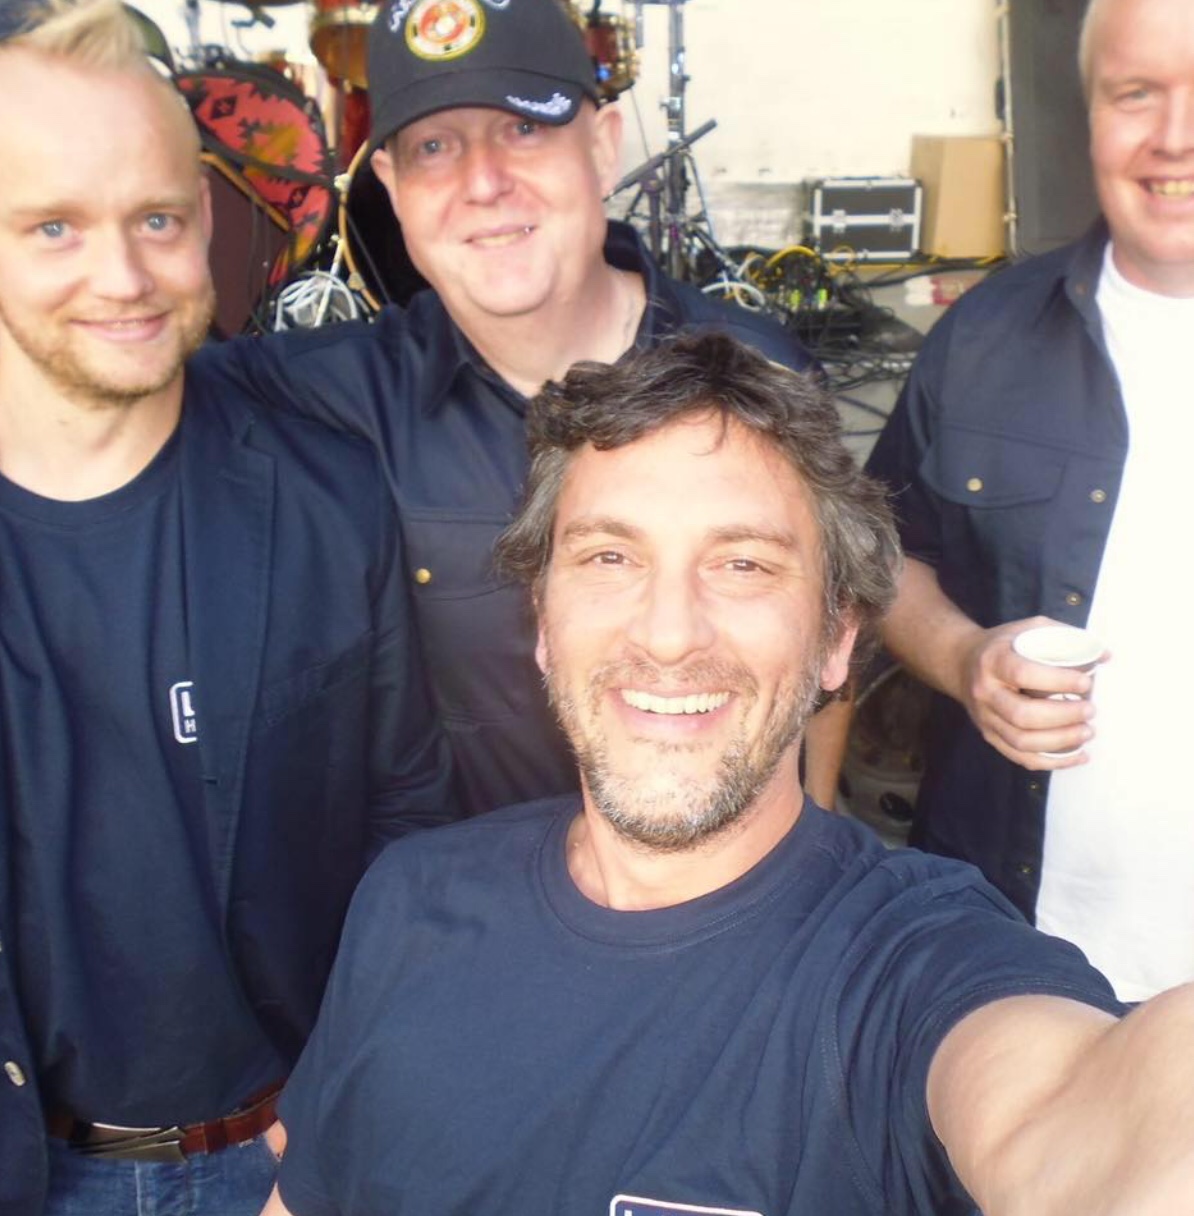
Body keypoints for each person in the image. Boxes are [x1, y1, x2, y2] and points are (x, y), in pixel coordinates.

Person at [259, 332, 1194, 1216]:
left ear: (836, 639)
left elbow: (1077, 1107)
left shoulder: (908, 966)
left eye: (743, 564)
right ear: (543, 620)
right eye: (610, 557)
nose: (669, 633)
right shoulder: (408, 900)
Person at [0, 3, 454, 1214]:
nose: (122, 277)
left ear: (206, 220)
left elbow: (407, 825)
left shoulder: (326, 496)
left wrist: (355, 1082)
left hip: (285, 1151)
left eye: (156, 218)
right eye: (53, 226)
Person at [204, 0, 850, 819]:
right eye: (435, 147)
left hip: (719, 881)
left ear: (604, 148)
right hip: (462, 890)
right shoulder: (324, 394)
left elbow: (830, 650)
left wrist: (818, 844)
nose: (483, 183)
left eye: (522, 129)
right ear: (393, 188)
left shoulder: (761, 374)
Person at [864, 0, 1194, 1004]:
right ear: (1088, 114)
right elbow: (881, 553)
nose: (1174, 136)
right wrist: (966, 658)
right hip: (1014, 962)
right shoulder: (985, 337)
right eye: (1136, 94)